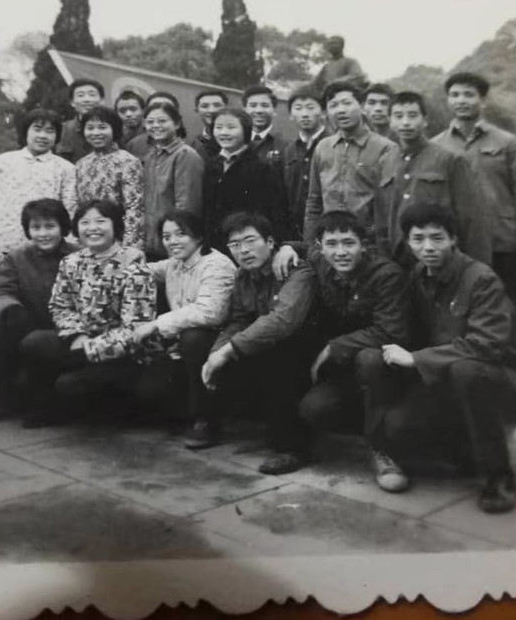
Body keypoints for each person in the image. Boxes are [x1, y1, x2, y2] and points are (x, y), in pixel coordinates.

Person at [380, 203, 516, 513]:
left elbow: (487, 345)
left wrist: (417, 359)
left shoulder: (480, 278)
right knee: (398, 427)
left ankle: (499, 475)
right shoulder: (417, 277)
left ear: (453, 239)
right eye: (418, 239)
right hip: (448, 376)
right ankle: (466, 455)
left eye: (437, 237)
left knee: (467, 371)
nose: (428, 247)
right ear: (408, 242)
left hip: (501, 379)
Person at [432, 72, 516, 439]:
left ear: (482, 100)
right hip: (464, 255)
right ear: (448, 100)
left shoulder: (506, 142)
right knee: (470, 332)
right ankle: (488, 410)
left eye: (468, 94)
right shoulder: (437, 146)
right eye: (455, 94)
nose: (461, 100)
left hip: (505, 250)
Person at [287, 211, 411, 492]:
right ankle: (372, 425)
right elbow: (304, 248)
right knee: (313, 409)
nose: (340, 252)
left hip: (390, 371)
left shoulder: (386, 275)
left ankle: (384, 450)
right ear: (321, 247)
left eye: (349, 243)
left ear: (363, 245)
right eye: (331, 244)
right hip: (349, 372)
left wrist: (334, 347)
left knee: (371, 358)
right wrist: (286, 248)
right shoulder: (321, 263)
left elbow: (391, 332)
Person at [20, 199, 156, 428]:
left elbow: (135, 328)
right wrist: (77, 335)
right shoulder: (71, 262)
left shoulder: (135, 267)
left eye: (100, 221)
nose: (92, 228)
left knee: (69, 385)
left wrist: (90, 349)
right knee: (34, 343)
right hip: (81, 341)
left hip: (123, 353)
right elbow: (60, 306)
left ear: (116, 226)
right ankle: (45, 410)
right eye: (85, 222)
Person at [201, 212, 318, 475]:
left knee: (278, 356)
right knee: (218, 357)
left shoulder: (297, 269)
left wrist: (229, 349)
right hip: (267, 343)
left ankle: (294, 448)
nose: (243, 250)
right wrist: (216, 353)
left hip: (307, 348)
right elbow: (239, 319)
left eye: (250, 241)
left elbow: (283, 320)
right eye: (234, 244)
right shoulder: (243, 276)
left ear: (270, 242)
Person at [133, 210, 236, 448]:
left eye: (181, 234)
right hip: (183, 344)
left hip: (220, 341)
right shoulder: (175, 263)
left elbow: (210, 312)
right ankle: (183, 410)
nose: (172, 241)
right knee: (148, 394)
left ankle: (206, 420)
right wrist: (129, 255)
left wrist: (156, 324)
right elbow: (145, 270)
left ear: (198, 236)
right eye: (166, 236)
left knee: (193, 338)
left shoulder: (216, 264)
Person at [0, 199, 78, 424]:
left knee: (38, 343)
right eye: (36, 227)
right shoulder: (16, 258)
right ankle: (1, 400)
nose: (43, 234)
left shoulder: (79, 256)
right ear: (28, 230)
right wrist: (11, 309)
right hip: (27, 323)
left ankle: (44, 405)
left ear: (63, 227)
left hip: (69, 329)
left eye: (50, 226)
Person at [375, 91, 491, 266]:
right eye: (398, 116)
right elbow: (381, 221)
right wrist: (386, 264)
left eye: (412, 115)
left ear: (425, 120)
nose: (405, 122)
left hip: (442, 258)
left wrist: (475, 267)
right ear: (390, 121)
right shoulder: (385, 162)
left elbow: (471, 220)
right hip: (400, 261)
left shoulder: (450, 160)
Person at [302, 81, 397, 244]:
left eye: (347, 103)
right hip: (329, 241)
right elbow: (314, 202)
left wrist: (374, 240)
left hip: (368, 243)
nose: (340, 110)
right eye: (333, 105)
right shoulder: (323, 147)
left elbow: (389, 208)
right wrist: (309, 244)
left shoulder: (386, 148)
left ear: (362, 107)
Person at [0, 108, 77, 253]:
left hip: (45, 247)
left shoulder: (66, 168)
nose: (43, 136)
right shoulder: (1, 162)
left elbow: (70, 208)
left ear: (57, 136)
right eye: (37, 129)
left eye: (50, 131)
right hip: (1, 244)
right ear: (25, 131)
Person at [203, 107, 289, 252]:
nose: (224, 132)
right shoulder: (211, 165)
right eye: (219, 127)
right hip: (214, 246)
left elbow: (274, 213)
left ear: (246, 130)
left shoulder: (261, 168)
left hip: (246, 245)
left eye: (231, 127)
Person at [75, 106, 144, 249]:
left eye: (102, 127)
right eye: (90, 128)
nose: (96, 133)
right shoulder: (81, 164)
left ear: (115, 129)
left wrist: (130, 247)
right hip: (89, 239)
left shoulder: (127, 161)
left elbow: (134, 207)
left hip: (118, 239)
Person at [142, 102, 204, 259]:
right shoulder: (150, 157)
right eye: (150, 122)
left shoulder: (185, 155)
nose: (155, 125)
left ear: (177, 124)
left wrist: (176, 240)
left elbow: (186, 206)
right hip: (152, 241)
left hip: (175, 243)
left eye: (162, 121)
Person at [282, 86, 330, 239]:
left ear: (323, 112)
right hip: (294, 231)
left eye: (310, 107)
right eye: (298, 108)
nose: (304, 114)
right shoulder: (288, 150)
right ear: (291, 115)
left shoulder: (333, 145)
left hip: (327, 229)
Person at [125, 91, 185, 160]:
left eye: (167, 108)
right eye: (154, 107)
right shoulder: (134, 144)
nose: (160, 110)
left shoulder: (186, 149)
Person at [57, 79, 105, 164]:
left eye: (92, 95)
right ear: (72, 102)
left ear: (102, 100)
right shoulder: (62, 130)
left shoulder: (115, 128)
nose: (86, 100)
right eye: (80, 95)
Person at [241, 85, 288, 169]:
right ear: (244, 110)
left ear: (274, 110)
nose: (259, 110)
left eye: (265, 105)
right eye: (253, 105)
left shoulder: (286, 145)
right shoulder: (235, 140)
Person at [190, 89, 228, 165]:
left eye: (217, 105)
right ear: (197, 110)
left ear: (226, 108)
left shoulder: (238, 141)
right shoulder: (195, 144)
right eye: (205, 106)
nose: (211, 110)